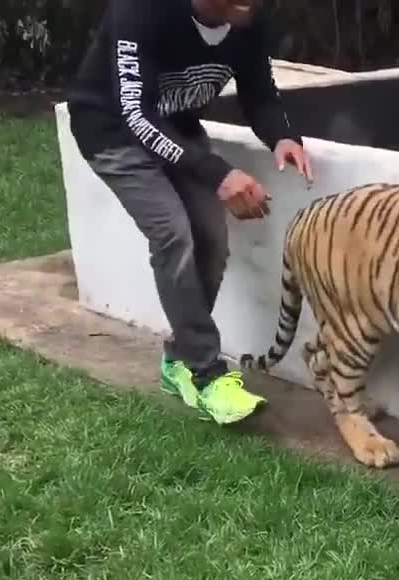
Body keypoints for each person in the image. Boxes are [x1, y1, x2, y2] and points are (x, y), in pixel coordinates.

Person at [64, 0, 312, 425]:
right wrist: (217, 173)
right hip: (113, 134)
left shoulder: (244, 17)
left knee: (212, 239)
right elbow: (135, 114)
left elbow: (258, 90)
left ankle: (179, 358)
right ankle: (206, 374)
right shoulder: (140, 11)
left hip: (176, 128)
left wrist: (283, 137)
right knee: (173, 234)